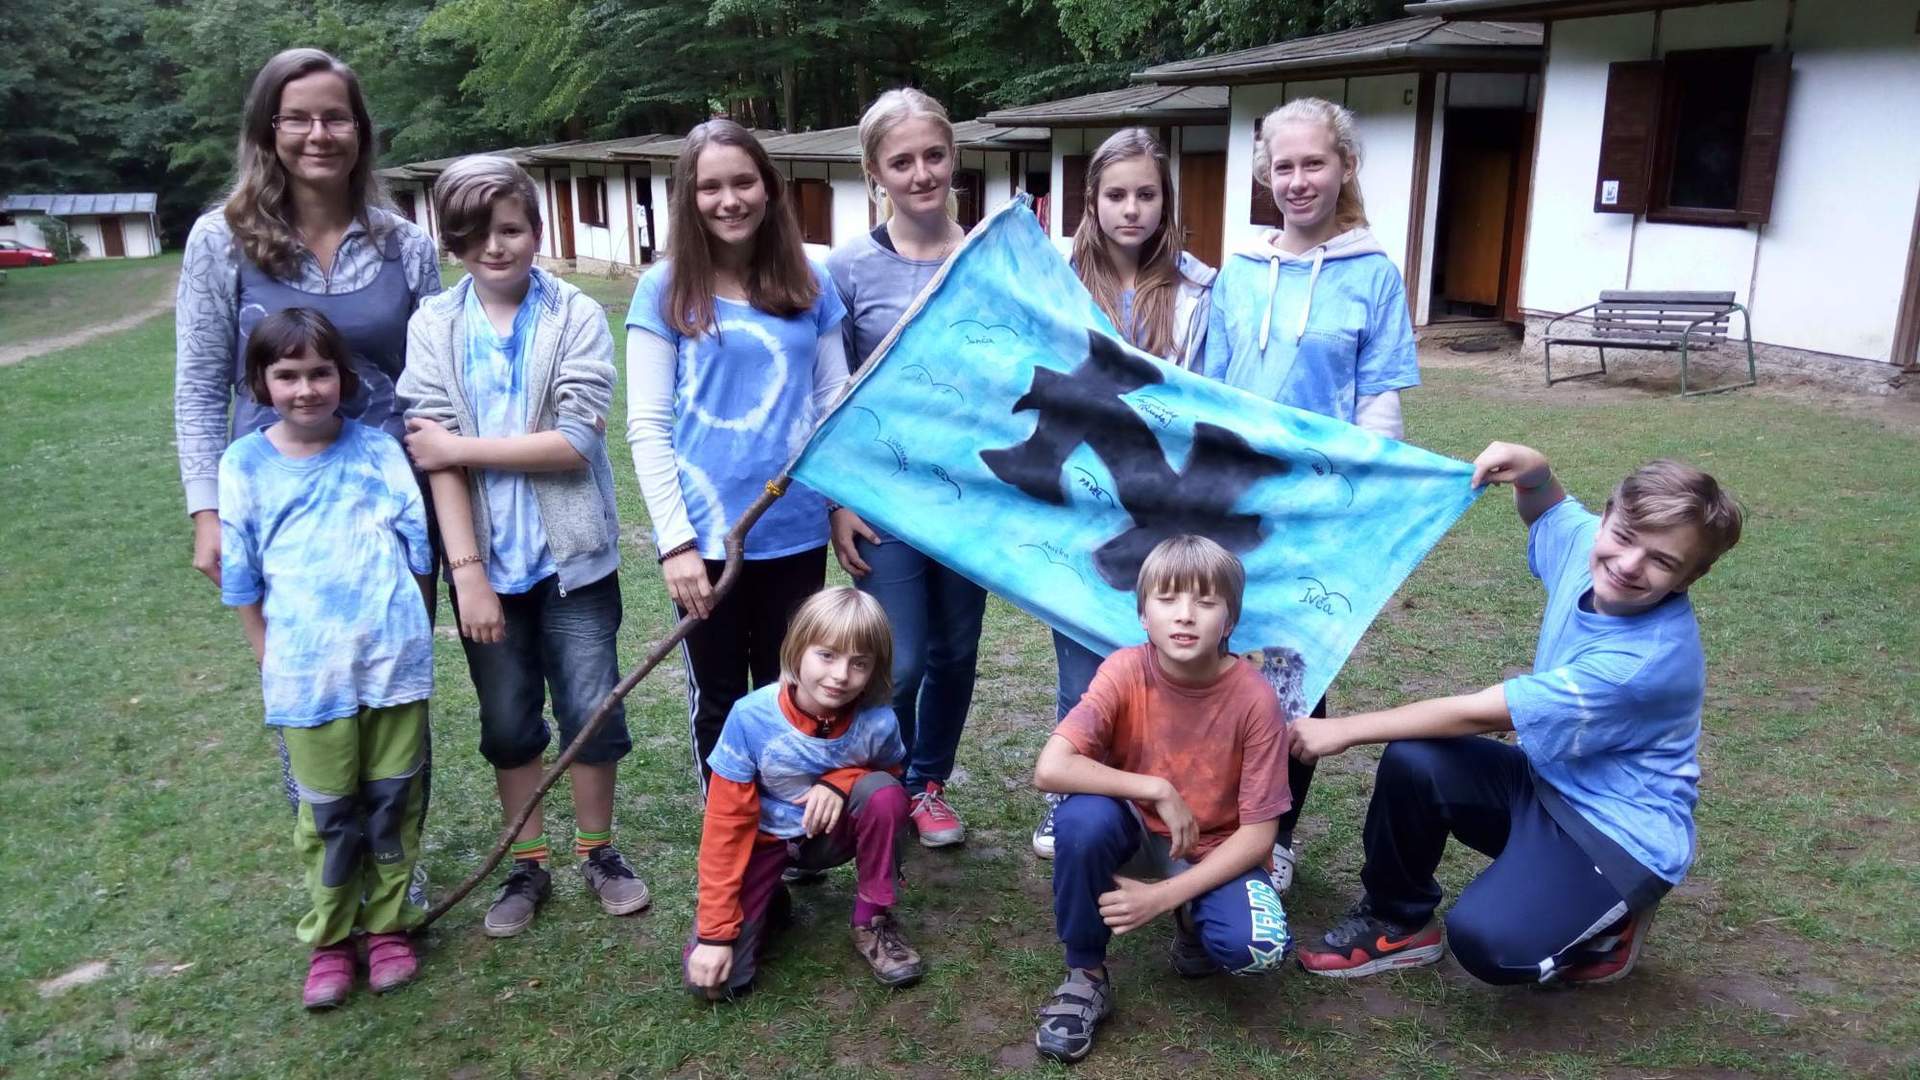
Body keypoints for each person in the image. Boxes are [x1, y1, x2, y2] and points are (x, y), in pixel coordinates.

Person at [1291, 443, 1743, 985]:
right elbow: (1549, 510)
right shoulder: (1587, 545)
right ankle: (1397, 922)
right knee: (1416, 759)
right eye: (1624, 537)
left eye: (1662, 561)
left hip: (1615, 834)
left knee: (1490, 942)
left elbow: (1478, 714)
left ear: (1690, 576)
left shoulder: (1644, 664)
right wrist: (1535, 474)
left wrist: (1342, 729)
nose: (1628, 564)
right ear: (1606, 519)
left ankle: (1612, 927)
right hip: (1545, 782)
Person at [396, 156, 646, 938]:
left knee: (590, 710)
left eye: (510, 229)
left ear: (536, 230)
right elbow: (431, 457)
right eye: (474, 233)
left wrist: (460, 448)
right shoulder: (433, 325)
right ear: (452, 240)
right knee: (507, 721)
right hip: (486, 568)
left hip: (574, 564)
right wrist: (467, 574)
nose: (495, 247)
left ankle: (599, 850)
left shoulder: (575, 314)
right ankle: (527, 863)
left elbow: (573, 443)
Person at [1197, 97, 1420, 891]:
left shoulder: (1374, 274)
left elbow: (1378, 400)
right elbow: (1210, 392)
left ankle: (1276, 832)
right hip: (1235, 506)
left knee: (1298, 671)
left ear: (1345, 166)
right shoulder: (1239, 272)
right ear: (1266, 174)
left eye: (1314, 163)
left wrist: (1370, 503)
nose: (1298, 181)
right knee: (1214, 655)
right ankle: (1212, 818)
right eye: (1283, 166)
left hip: (1320, 516)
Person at [217, 308, 432, 1009]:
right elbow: (241, 577)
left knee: (394, 803)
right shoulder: (244, 465)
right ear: (261, 382)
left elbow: (418, 552)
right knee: (328, 815)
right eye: (287, 375)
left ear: (342, 376)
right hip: (306, 681)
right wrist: (270, 661)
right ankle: (333, 938)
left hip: (392, 669)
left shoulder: (379, 452)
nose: (306, 389)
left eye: (319, 373)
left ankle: (389, 925)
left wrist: (411, 637)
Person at [625, 120, 849, 790]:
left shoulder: (811, 281)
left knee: (795, 691)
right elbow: (647, 425)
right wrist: (675, 543)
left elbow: (834, 403)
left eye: (743, 182)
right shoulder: (664, 289)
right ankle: (730, 836)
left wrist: (839, 505)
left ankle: (785, 830)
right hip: (704, 541)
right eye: (711, 187)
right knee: (720, 698)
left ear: (768, 187)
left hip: (795, 531)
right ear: (688, 198)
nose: (730, 200)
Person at [176, 47, 442, 589]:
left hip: (389, 509)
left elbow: (437, 391)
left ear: (360, 131)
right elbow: (200, 386)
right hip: (277, 511)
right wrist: (207, 511)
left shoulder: (409, 245)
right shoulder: (220, 239)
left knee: (401, 645)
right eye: (296, 118)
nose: (318, 135)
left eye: (335, 118)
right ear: (267, 130)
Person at [1031, 536, 1291, 1064]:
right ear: (1142, 615)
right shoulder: (1124, 669)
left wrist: (1163, 898)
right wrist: (1154, 787)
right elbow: (1051, 767)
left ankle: (1192, 916)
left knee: (1259, 950)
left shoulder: (1256, 699)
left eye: (1206, 602)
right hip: (1134, 830)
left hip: (1213, 845)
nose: (1185, 615)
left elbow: (1260, 834)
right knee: (1079, 820)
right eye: (1167, 599)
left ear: (1230, 621)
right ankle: (1085, 974)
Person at [1033, 126, 1219, 861]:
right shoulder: (1054, 281)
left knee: (1171, 650)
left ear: (1165, 200)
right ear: (1092, 201)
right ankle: (1073, 799)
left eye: (1146, 194)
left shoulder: (1201, 289)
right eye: (1116, 195)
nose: (1132, 209)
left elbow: (1215, 397)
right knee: (1083, 659)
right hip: (1082, 503)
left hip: (1168, 506)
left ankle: (1169, 797)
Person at [825, 88, 982, 849]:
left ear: (954, 158)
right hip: (882, 498)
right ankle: (873, 783)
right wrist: (835, 501)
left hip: (971, 498)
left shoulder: (986, 256)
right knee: (901, 657)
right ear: (874, 173)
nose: (922, 174)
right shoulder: (847, 269)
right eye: (901, 161)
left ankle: (926, 784)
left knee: (955, 652)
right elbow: (829, 395)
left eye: (934, 155)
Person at [683, 587, 925, 999]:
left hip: (829, 836)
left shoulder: (877, 721)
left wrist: (840, 782)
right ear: (796, 650)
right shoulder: (750, 717)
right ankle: (767, 900)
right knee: (714, 986)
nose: (840, 675)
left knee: (884, 795)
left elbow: (891, 776)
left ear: (876, 668)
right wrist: (715, 934)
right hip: (764, 842)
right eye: (826, 655)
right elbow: (726, 825)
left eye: (859, 663)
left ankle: (872, 920)